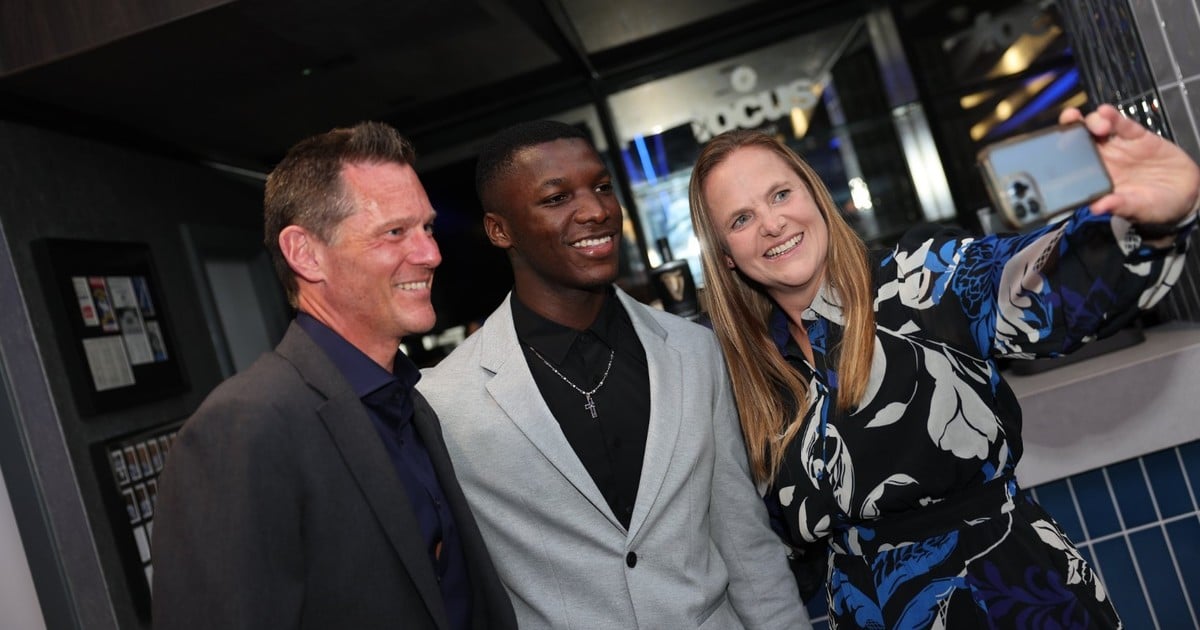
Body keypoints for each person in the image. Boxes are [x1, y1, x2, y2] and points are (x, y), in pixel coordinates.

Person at [687, 103, 1199, 628]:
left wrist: (1152, 226)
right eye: (741, 219)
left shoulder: (918, 281)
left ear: (815, 196)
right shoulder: (746, 375)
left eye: (780, 194)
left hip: (1006, 596)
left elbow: (1025, 283)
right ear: (725, 254)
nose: (772, 224)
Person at [417, 120, 810, 629]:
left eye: (601, 187)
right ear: (500, 230)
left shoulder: (695, 351)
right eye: (557, 198)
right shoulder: (446, 401)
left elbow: (747, 546)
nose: (595, 210)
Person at [151, 122, 517, 630]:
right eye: (395, 232)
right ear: (306, 253)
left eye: (428, 228)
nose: (431, 254)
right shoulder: (246, 426)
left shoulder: (409, 401)